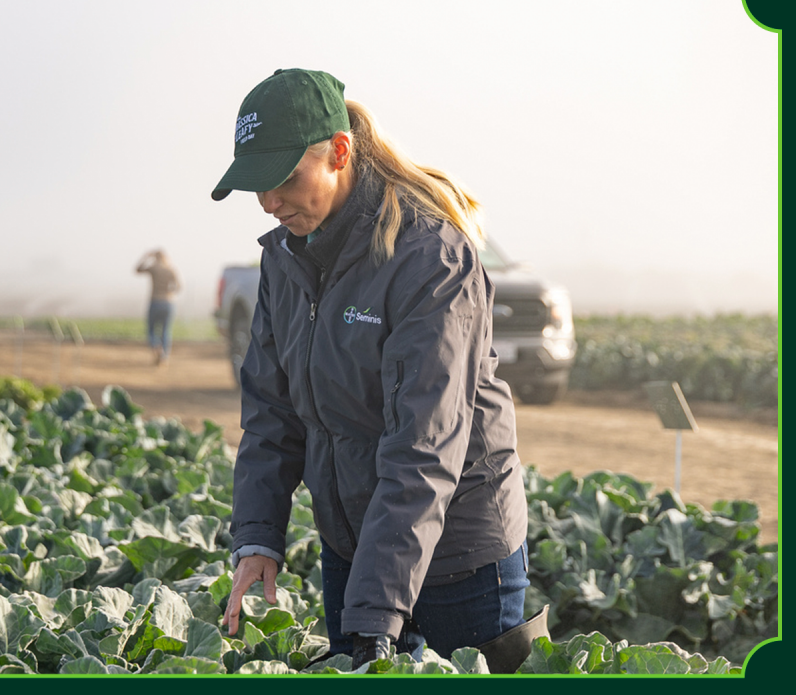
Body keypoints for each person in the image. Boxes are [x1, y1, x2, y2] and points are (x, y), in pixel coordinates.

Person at [211, 68, 547, 673]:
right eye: (257, 185)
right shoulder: (284, 260)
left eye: (285, 179)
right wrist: (258, 537)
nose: (269, 202)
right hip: (355, 543)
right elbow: (271, 413)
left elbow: (424, 446)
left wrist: (374, 613)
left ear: (339, 153)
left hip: (459, 555)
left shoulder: (429, 258)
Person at [135, 248, 181, 365]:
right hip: (168, 303)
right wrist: (169, 292)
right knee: (165, 330)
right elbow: (178, 286)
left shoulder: (154, 268)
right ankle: (164, 355)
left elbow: (137, 269)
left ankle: (156, 347)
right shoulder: (170, 269)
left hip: (155, 301)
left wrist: (145, 257)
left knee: (151, 329)